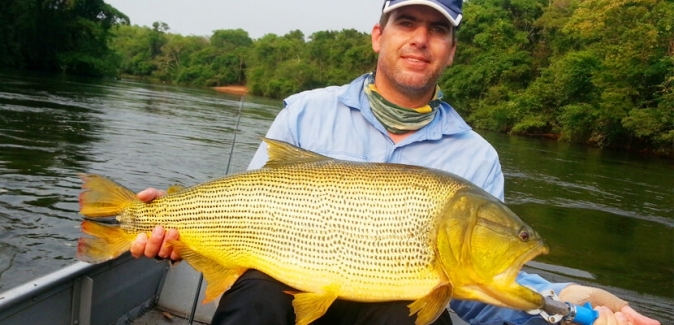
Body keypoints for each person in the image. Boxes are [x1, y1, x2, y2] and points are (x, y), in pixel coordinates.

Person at [131, 1, 661, 324]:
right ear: (378, 34)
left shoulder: (476, 158)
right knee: (257, 293)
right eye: (407, 22)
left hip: (381, 313)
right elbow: (244, 215)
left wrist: (575, 304)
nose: (420, 39)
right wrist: (175, 233)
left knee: (413, 314)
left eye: (437, 29)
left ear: (451, 49)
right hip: (281, 301)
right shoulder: (305, 110)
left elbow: (479, 292)